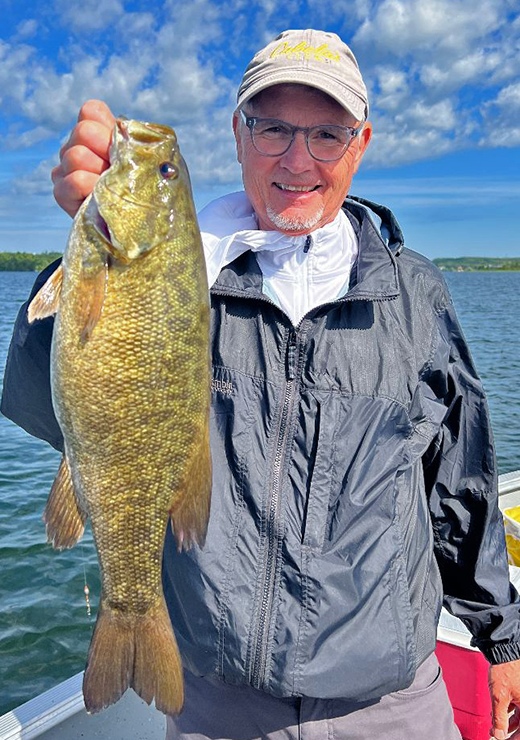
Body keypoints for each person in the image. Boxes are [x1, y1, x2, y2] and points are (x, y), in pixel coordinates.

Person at [2, 28, 520, 740]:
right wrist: (79, 255)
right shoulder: (192, 278)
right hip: (218, 703)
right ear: (239, 135)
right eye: (273, 127)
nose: (298, 159)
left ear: (360, 143)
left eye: (328, 133)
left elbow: (459, 483)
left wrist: (500, 638)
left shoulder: (417, 295)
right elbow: (49, 408)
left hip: (393, 705)